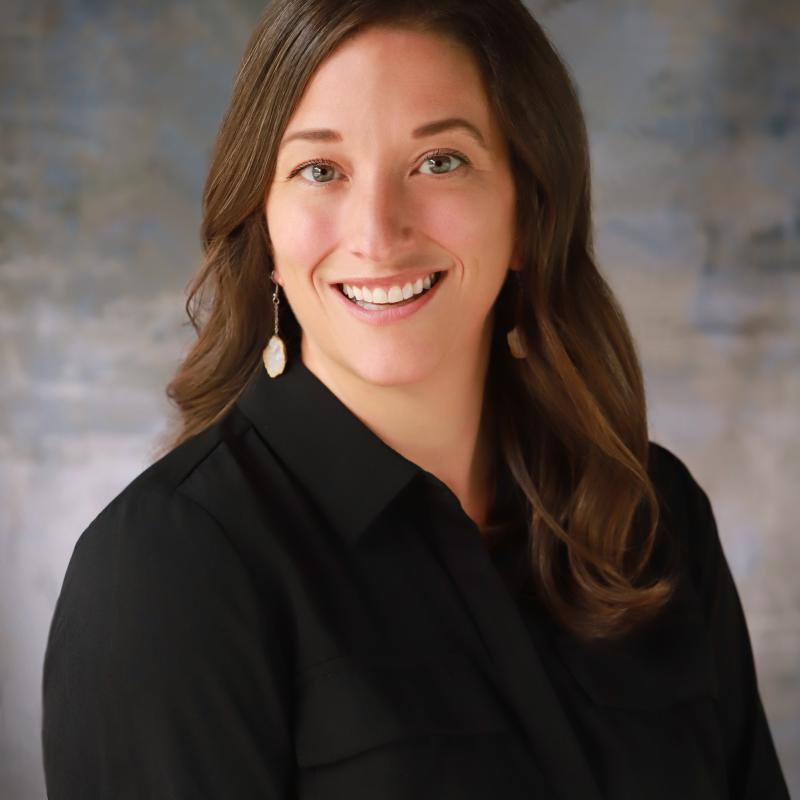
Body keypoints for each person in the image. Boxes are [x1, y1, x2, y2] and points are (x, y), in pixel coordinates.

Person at [41, 1, 790, 798]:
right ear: (263, 230)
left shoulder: (651, 514)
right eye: (320, 171)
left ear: (531, 213)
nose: (376, 231)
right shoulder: (168, 570)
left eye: (439, 161)